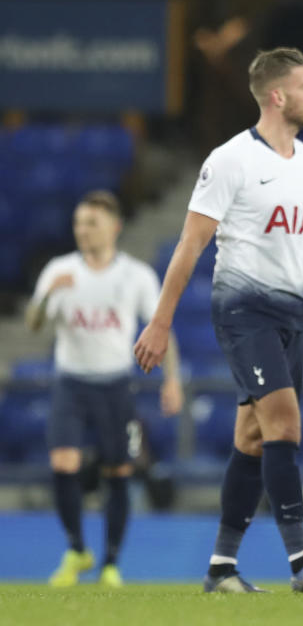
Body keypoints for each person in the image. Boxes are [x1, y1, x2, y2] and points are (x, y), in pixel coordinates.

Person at [134, 47, 303, 593]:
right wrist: (160, 323)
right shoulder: (231, 160)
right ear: (278, 96)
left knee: (253, 439)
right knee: (284, 423)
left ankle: (221, 567)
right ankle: (302, 560)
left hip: (294, 312)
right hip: (242, 308)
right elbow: (190, 245)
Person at [25, 190, 184, 588]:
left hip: (115, 386)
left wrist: (172, 381)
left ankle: (110, 563)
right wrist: (46, 298)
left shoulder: (136, 276)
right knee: (63, 462)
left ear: (113, 227)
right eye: (78, 223)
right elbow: (32, 324)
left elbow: (161, 330)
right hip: (71, 383)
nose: (83, 231)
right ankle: (77, 548)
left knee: (119, 471)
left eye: (91, 223)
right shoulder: (59, 271)